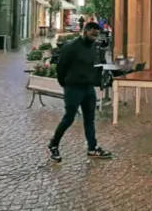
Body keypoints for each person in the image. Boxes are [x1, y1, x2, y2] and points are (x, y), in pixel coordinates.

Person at [47, 22, 112, 162]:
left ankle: (92, 148)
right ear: (85, 31)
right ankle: (53, 144)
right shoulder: (70, 47)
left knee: (90, 119)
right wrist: (65, 84)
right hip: (73, 88)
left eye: (96, 34)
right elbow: (60, 68)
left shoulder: (94, 46)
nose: (94, 37)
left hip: (88, 88)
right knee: (68, 118)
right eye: (92, 34)